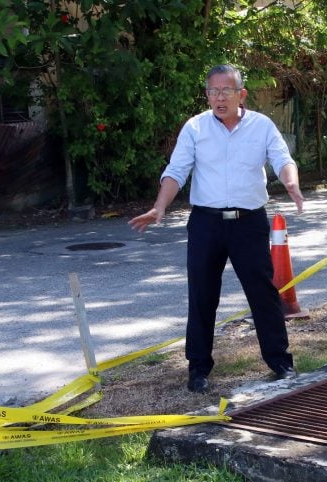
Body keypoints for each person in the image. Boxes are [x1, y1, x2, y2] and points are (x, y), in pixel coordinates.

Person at [129, 64, 305, 393]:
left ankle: (280, 361)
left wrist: (291, 184)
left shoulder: (261, 126)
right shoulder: (195, 128)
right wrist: (160, 205)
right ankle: (198, 368)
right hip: (206, 223)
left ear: (242, 94)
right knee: (201, 295)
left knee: (263, 293)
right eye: (213, 91)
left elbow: (282, 158)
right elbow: (176, 170)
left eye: (226, 91)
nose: (219, 97)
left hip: (248, 222)